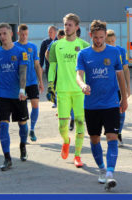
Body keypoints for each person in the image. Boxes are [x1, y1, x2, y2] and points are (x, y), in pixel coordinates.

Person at [76, 20, 128, 190]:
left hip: (111, 102)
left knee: (112, 137)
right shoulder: (83, 54)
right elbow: (79, 75)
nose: (98, 40)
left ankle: (110, 173)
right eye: (95, 37)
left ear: (105, 35)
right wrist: (83, 85)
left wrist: (125, 97)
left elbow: (120, 75)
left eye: (101, 37)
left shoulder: (114, 52)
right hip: (91, 105)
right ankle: (101, 169)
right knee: (94, 139)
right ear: (90, 35)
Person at [48, 13, 89, 168]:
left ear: (77, 27)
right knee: (62, 126)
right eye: (65, 24)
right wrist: (51, 84)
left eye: (70, 25)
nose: (67, 27)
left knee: (79, 122)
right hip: (63, 91)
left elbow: (90, 67)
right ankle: (66, 141)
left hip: (79, 91)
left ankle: (77, 156)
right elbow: (52, 66)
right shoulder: (56, 45)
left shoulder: (84, 45)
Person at [0, 23, 29, 171]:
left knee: (22, 126)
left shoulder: (21, 51)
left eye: (5, 33)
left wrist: (23, 90)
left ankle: (23, 146)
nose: (2, 37)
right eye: (0, 34)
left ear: (11, 34)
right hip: (2, 95)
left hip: (18, 95)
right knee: (3, 125)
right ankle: (7, 158)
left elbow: (23, 72)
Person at [15, 24, 44, 142]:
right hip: (20, 84)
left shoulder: (32, 47)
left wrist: (41, 81)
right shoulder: (14, 46)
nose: (24, 36)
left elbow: (37, 65)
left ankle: (32, 129)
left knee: (35, 105)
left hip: (32, 82)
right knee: (22, 109)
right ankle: (24, 129)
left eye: (26, 34)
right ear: (18, 33)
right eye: (22, 34)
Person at [105, 29, 130, 147]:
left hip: (119, 87)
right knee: (108, 111)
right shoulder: (102, 51)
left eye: (112, 41)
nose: (111, 43)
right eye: (108, 41)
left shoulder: (121, 51)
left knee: (121, 110)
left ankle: (119, 133)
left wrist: (128, 86)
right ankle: (110, 131)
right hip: (107, 87)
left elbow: (125, 69)